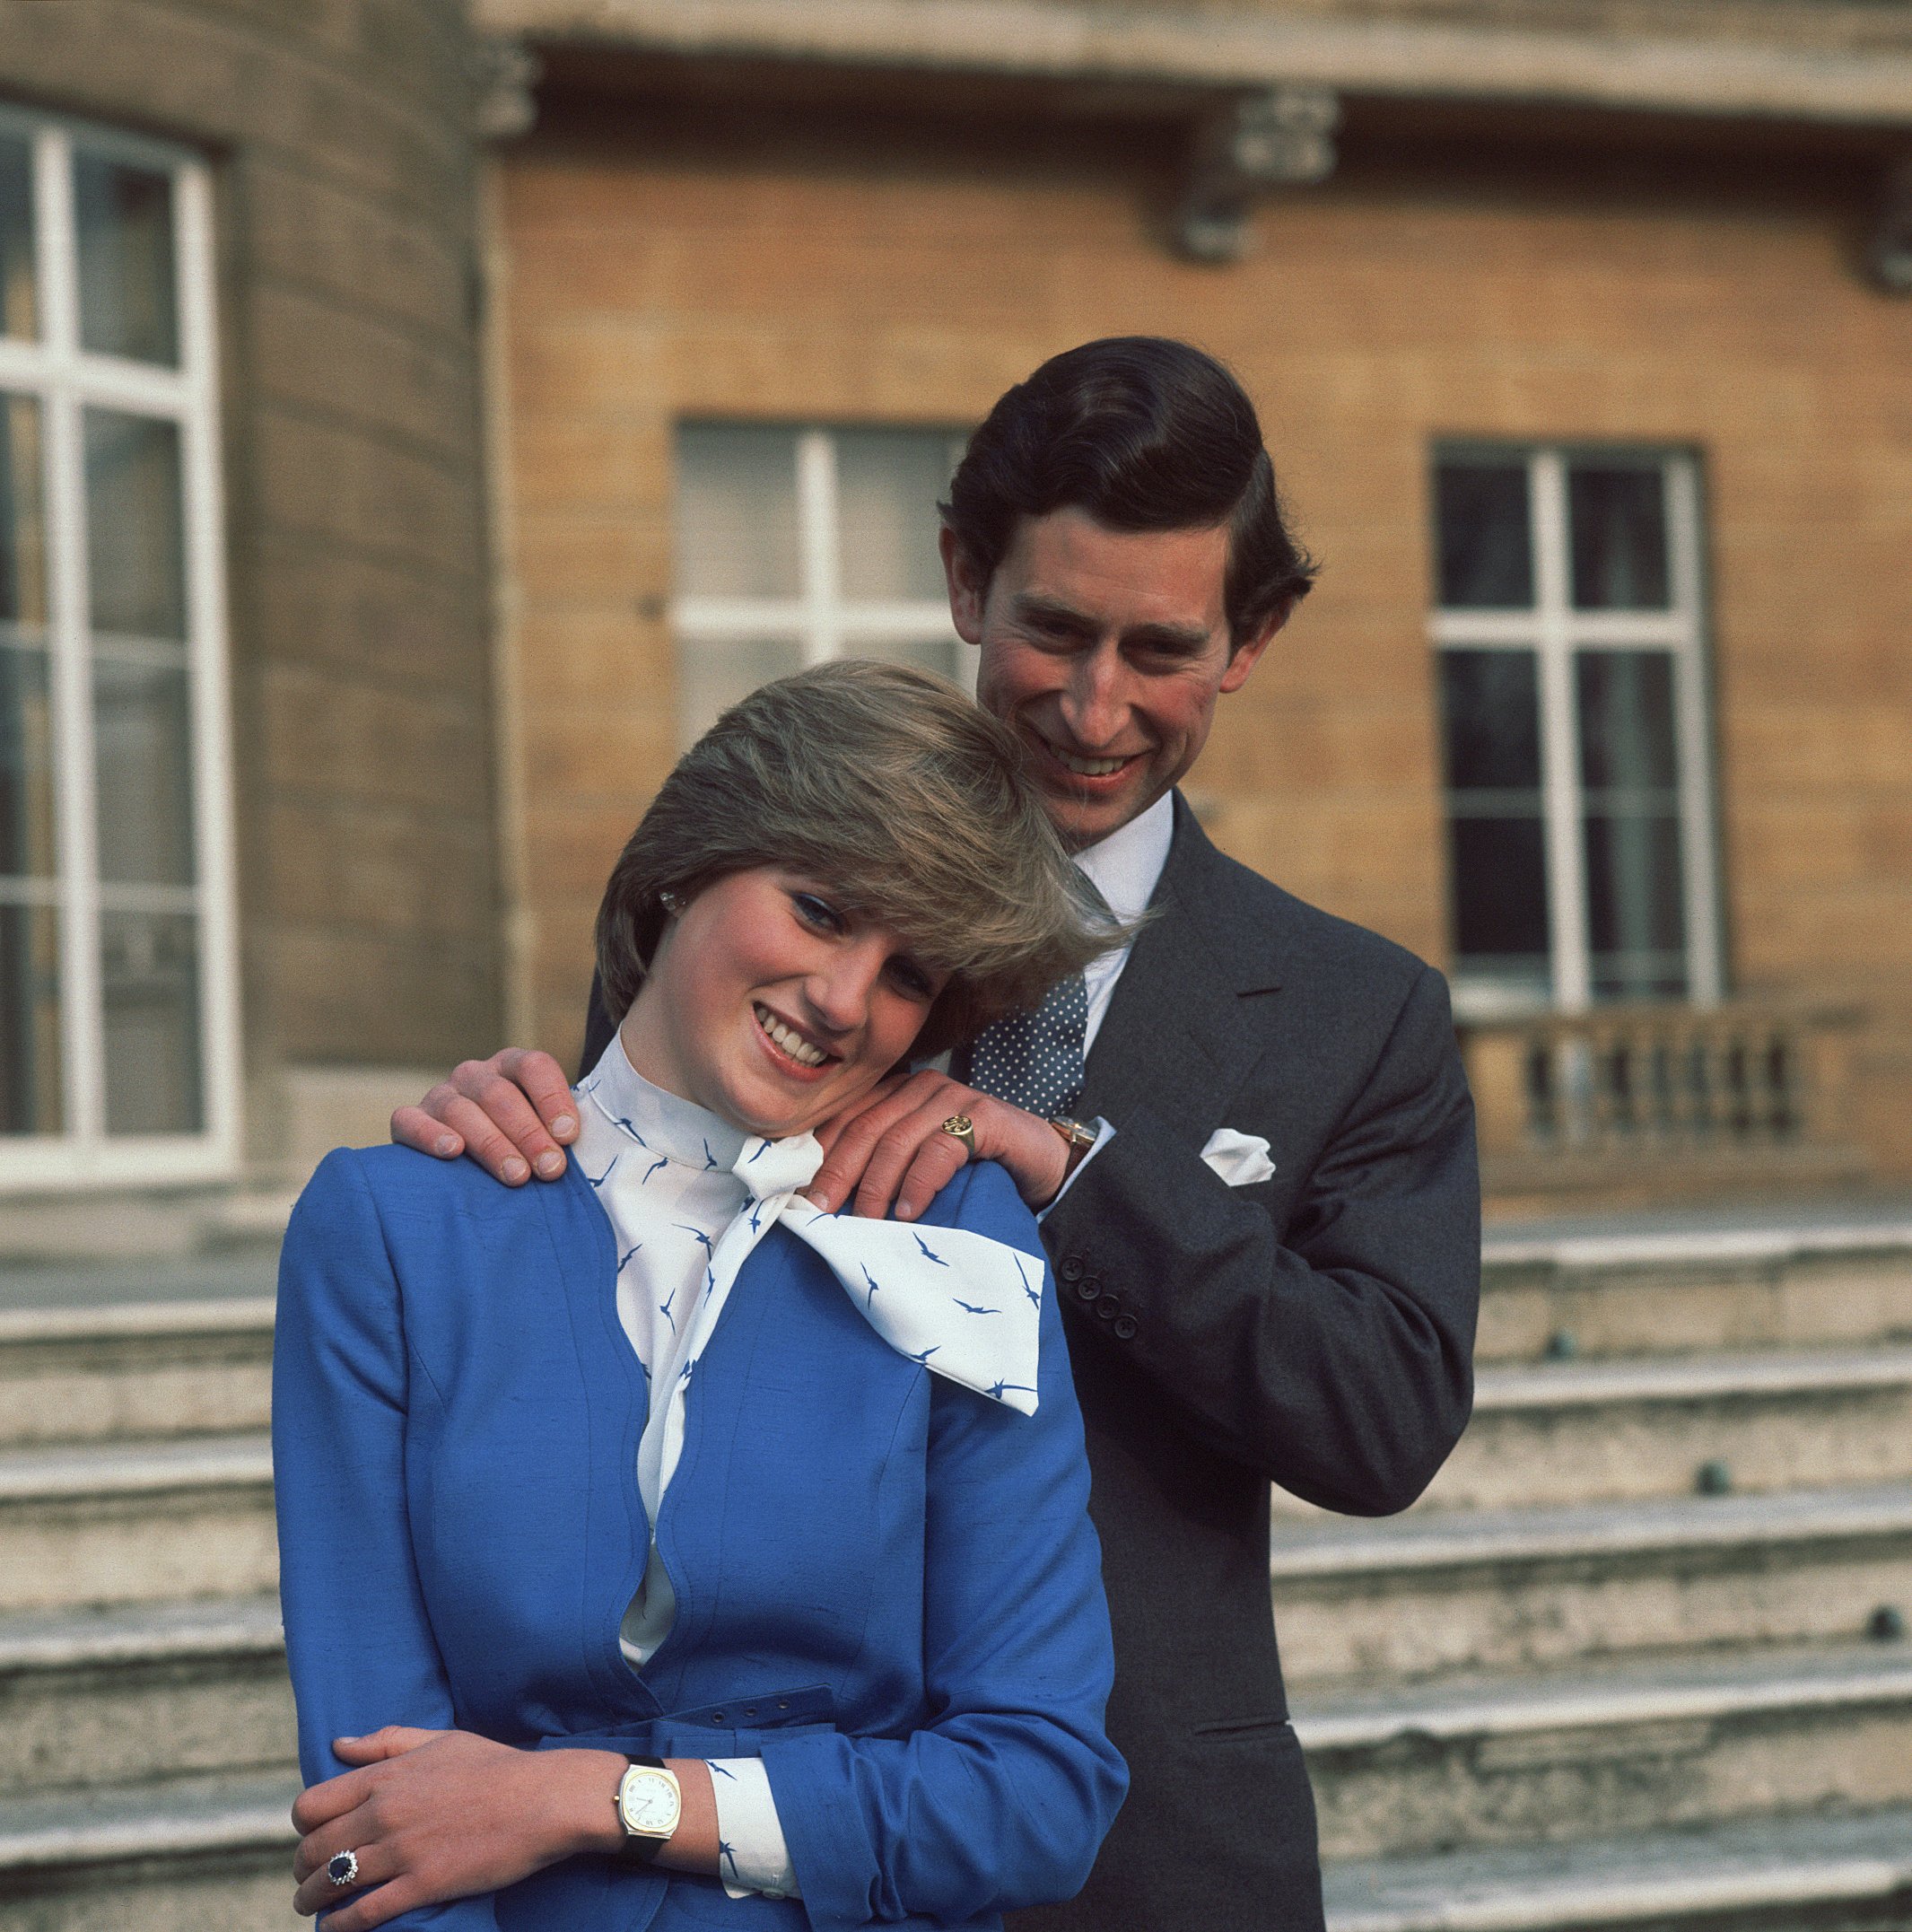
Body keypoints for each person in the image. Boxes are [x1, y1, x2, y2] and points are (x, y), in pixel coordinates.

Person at [394, 337, 1481, 1932]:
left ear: (1253, 639)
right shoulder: (761, 914)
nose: (1096, 706)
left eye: (1159, 649)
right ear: (969, 578)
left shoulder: (1357, 1009)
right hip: (756, 1848)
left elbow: (1381, 1420)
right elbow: (619, 1271)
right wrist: (507, 1140)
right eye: (1054, 629)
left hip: (1156, 1851)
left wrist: (1069, 1167)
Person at [275, 661, 1129, 1932]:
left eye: (907, 974)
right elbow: (375, 1819)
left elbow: (1038, 1792)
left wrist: (594, 1797)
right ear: (686, 864)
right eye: (823, 909)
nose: (847, 1002)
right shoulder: (392, 1231)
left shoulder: (958, 1231)